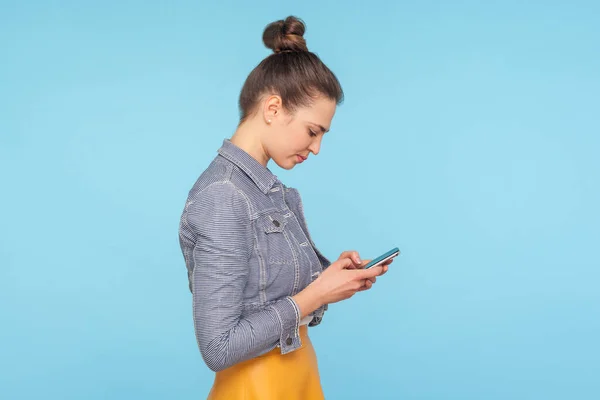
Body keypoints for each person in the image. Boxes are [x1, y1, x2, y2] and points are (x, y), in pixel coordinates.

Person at [178, 15, 392, 400]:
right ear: (273, 108)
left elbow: (273, 297)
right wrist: (317, 294)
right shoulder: (223, 196)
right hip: (254, 390)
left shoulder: (269, 191)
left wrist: (333, 280)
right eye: (313, 131)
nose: (316, 148)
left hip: (298, 378)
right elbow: (218, 348)